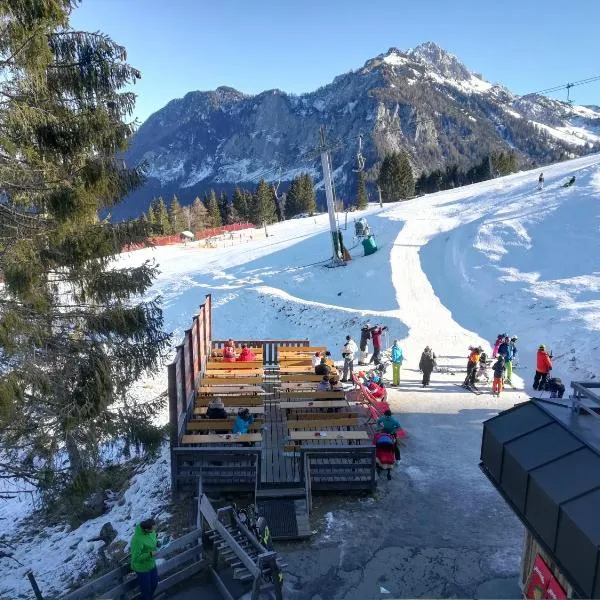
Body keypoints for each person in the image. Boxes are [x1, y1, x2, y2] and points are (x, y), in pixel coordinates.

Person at [130, 518, 159, 600]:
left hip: (151, 564)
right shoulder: (137, 540)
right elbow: (136, 558)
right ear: (146, 529)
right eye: (152, 529)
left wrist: (157, 543)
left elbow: (152, 539)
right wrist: (150, 554)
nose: (154, 530)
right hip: (142, 568)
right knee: (146, 590)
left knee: (154, 584)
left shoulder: (151, 531)